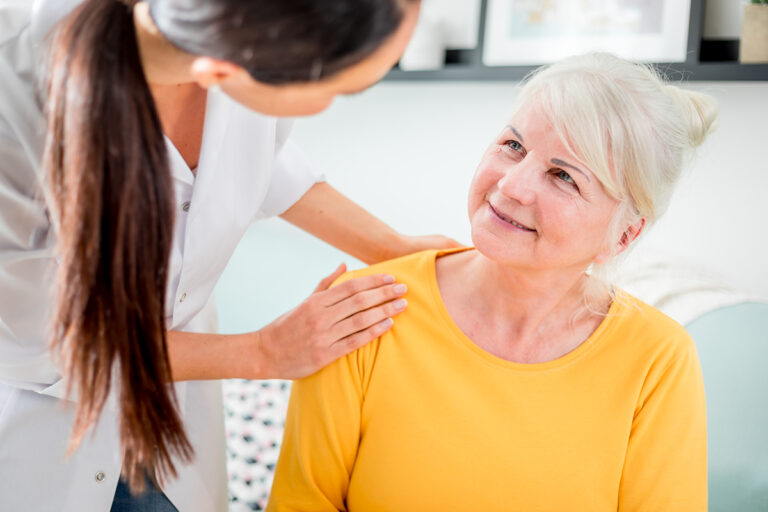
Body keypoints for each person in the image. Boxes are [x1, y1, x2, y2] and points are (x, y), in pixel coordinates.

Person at [0, 0, 460, 510]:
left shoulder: (225, 46)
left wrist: (394, 249)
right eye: (338, 89)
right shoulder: (13, 99)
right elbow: (48, 339)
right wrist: (263, 352)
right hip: (41, 434)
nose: (332, 104)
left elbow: (260, 160)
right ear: (224, 68)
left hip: (168, 431)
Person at [268, 52, 717, 512]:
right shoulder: (366, 307)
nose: (511, 186)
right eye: (513, 146)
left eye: (563, 176)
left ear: (623, 235)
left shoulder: (658, 360)